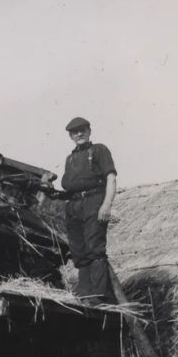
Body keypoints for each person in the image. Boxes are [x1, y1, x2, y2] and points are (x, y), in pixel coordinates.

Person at [60, 117, 117, 306]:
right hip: (74, 206)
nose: (79, 134)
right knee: (79, 252)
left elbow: (110, 178)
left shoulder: (99, 150)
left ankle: (100, 295)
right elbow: (69, 188)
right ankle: (85, 295)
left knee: (95, 249)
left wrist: (106, 204)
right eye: (75, 132)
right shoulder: (70, 159)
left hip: (94, 202)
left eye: (82, 130)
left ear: (89, 131)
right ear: (70, 136)